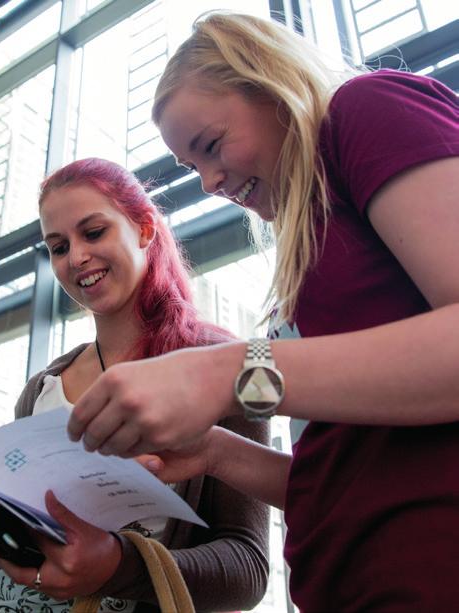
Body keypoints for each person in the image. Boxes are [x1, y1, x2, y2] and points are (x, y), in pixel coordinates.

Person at [64, 11, 459, 613]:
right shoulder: (312, 251)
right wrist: (219, 454)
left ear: (272, 85)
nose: (208, 182)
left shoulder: (366, 108)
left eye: (212, 146)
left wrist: (221, 373)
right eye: (192, 167)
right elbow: (348, 469)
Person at [0, 157, 269, 612]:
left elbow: (247, 569)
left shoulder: (223, 365)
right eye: (57, 247)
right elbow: (15, 573)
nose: (76, 257)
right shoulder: (42, 388)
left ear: (144, 230)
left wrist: (118, 566)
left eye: (93, 232)